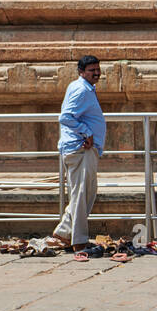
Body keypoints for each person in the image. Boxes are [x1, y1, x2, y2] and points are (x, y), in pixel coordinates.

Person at [54, 55, 106, 260]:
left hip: (82, 149)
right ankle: (79, 240)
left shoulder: (84, 88)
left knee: (83, 194)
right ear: (81, 72)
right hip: (80, 149)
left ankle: (64, 233)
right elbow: (65, 117)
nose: (96, 73)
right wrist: (87, 132)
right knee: (82, 194)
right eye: (92, 70)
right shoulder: (81, 89)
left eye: (98, 69)